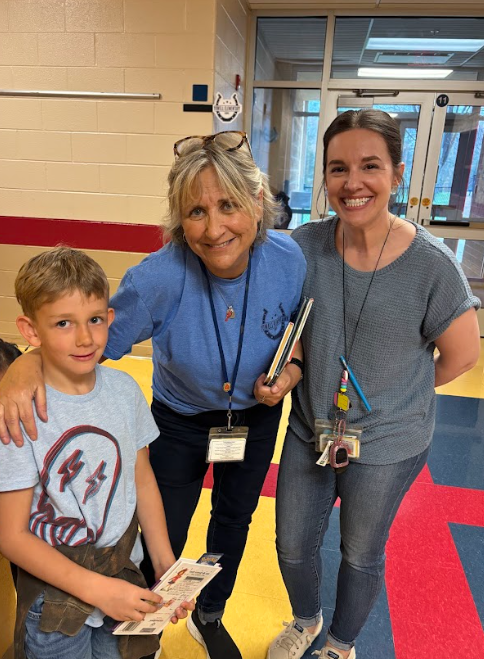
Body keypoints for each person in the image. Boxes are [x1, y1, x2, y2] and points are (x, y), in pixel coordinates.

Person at [0, 131, 307, 659]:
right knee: (161, 518)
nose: (213, 230)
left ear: (257, 203)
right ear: (177, 219)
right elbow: (85, 341)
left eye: (228, 205)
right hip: (181, 420)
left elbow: (291, 329)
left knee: (234, 520)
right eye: (195, 212)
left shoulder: (288, 259)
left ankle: (210, 613)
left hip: (254, 418)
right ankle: (136, 623)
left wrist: (293, 367)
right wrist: (20, 365)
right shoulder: (158, 278)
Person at [267, 109, 480, 659]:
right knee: (292, 547)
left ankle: (342, 643)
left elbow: (461, 355)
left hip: (388, 444)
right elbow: (289, 326)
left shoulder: (432, 267)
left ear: (397, 173)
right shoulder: (303, 247)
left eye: (370, 166)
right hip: (309, 431)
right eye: (338, 168)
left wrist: (397, 392)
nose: (352, 182)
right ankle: (306, 620)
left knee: (361, 552)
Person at [0, 247, 192, 659]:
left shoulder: (124, 392)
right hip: (55, 602)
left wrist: (164, 562)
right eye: (63, 323)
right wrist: (98, 591)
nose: (85, 338)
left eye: (95, 319)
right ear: (31, 331)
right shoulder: (19, 413)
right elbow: (10, 535)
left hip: (124, 576)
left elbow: (142, 480)